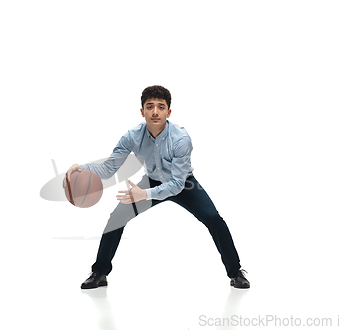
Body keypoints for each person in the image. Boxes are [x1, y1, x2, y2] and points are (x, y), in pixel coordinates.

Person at [63, 85, 249, 289]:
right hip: (151, 181)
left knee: (214, 219)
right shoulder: (131, 136)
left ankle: (235, 272)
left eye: (161, 107)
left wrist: (144, 194)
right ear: (142, 111)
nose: (155, 111)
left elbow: (177, 184)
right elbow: (109, 168)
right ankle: (99, 272)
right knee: (116, 218)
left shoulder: (181, 139)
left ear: (168, 112)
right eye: (150, 106)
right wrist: (80, 168)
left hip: (183, 183)